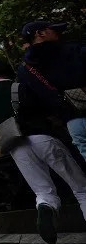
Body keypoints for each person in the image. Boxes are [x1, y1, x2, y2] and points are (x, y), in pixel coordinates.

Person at [0, 60, 86, 244]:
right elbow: (47, 105)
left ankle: (45, 207)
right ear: (11, 72)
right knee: (81, 187)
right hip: (42, 137)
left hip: (16, 146)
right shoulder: (23, 86)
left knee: (42, 191)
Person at [16, 21, 86, 161]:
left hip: (72, 121)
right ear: (40, 33)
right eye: (53, 30)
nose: (58, 33)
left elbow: (30, 102)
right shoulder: (73, 49)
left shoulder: (25, 69)